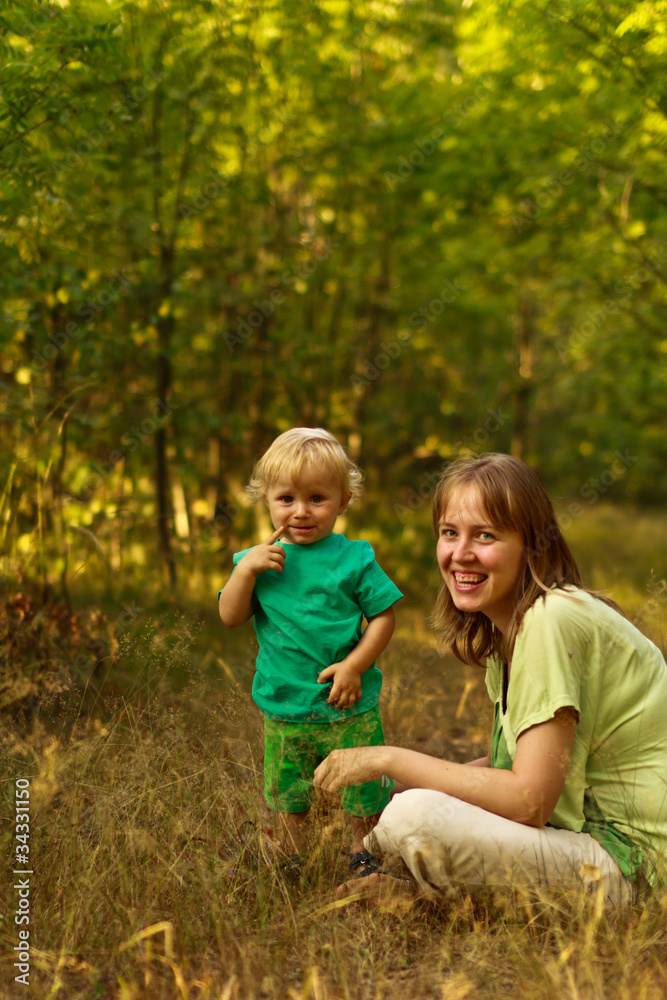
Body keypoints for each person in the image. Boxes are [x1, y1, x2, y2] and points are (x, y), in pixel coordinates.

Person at [313, 453, 667, 905]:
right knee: (407, 804)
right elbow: (509, 771)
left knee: (416, 816)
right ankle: (405, 887)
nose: (461, 554)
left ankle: (426, 901)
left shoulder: (551, 620)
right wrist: (382, 788)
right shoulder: (519, 631)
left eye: (485, 535)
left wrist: (385, 760)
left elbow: (529, 800)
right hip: (600, 851)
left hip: (636, 871)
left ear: (532, 544)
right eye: (449, 533)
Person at [218, 427, 402, 876]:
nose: (300, 511)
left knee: (361, 788)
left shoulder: (354, 558)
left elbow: (383, 616)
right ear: (267, 500)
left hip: (349, 704)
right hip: (285, 704)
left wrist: (355, 665)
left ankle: (364, 854)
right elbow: (229, 615)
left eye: (317, 499)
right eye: (286, 499)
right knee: (289, 791)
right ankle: (288, 857)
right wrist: (245, 573)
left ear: (343, 501)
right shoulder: (258, 560)